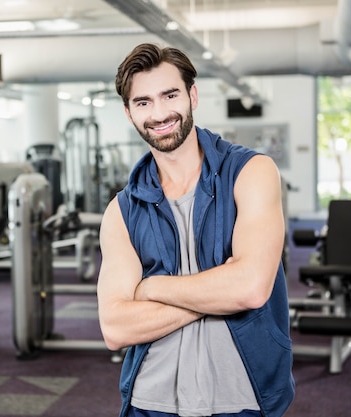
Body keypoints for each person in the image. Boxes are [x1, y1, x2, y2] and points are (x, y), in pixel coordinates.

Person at [96, 43, 295, 417]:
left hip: (243, 400)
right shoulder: (121, 211)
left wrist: (152, 289)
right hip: (149, 402)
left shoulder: (251, 173)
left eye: (170, 95)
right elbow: (116, 328)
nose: (159, 113)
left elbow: (250, 289)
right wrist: (220, 292)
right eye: (143, 102)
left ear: (192, 95)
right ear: (128, 113)